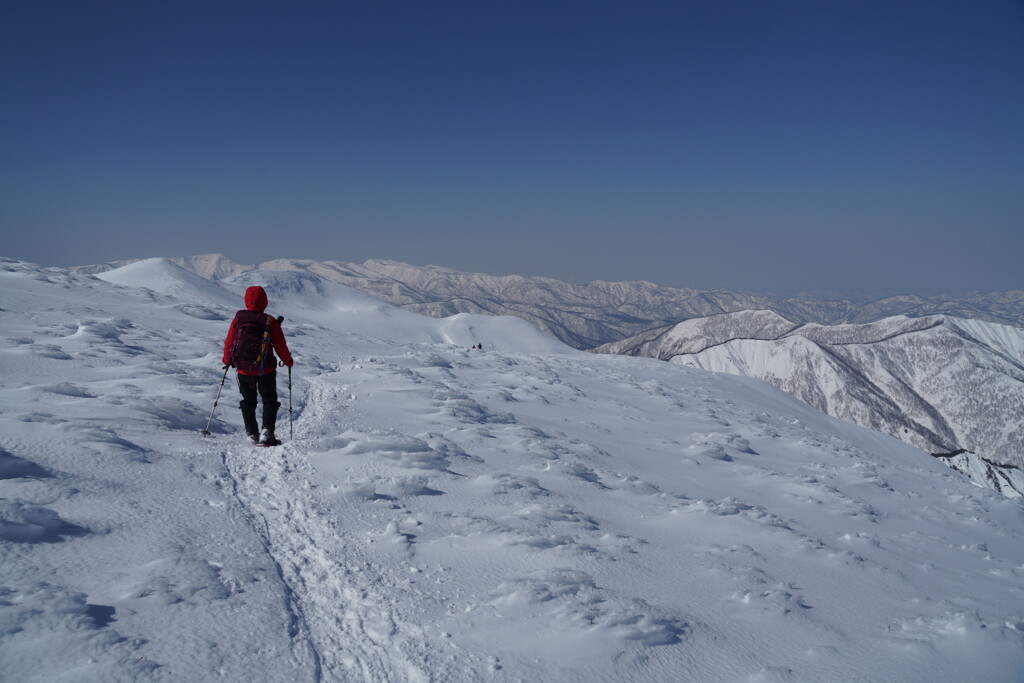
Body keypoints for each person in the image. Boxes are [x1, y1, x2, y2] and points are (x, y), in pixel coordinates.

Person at [222, 285, 293, 445]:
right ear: (264, 302)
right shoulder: (270, 321)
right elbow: (280, 345)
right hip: (265, 369)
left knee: (248, 401)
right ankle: (267, 432)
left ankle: (252, 433)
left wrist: (227, 359)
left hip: (243, 369)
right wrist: (288, 360)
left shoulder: (238, 319)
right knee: (269, 400)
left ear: (246, 301)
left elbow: (229, 341)